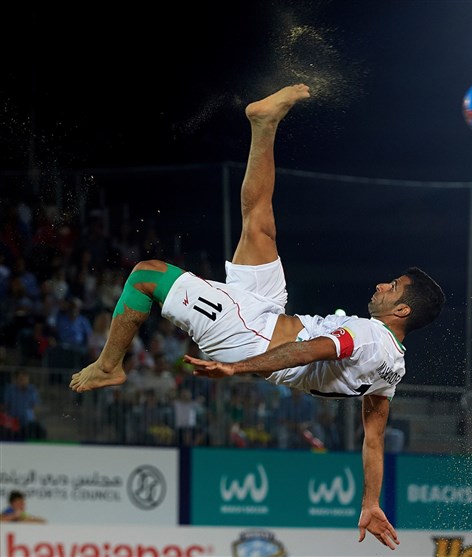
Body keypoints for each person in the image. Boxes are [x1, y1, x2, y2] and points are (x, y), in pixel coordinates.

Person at [68, 84, 445, 550]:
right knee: (259, 220)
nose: (381, 285)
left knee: (147, 274)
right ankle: (264, 124)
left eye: (392, 287)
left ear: (402, 310)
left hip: (249, 339)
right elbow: (372, 441)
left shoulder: (369, 337)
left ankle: (109, 366)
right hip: (270, 313)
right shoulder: (394, 366)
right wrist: (371, 501)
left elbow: (309, 349)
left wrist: (236, 368)